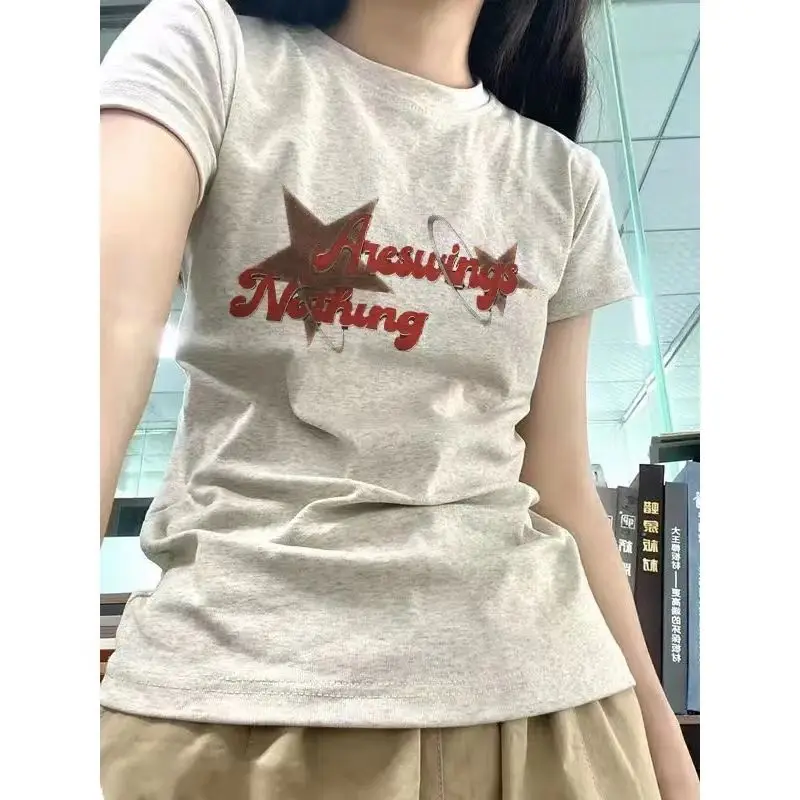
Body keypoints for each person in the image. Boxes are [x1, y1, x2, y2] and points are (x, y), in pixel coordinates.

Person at [99, 0, 699, 797]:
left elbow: (561, 488)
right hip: (234, 701)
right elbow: (94, 348)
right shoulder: (211, 48)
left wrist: (666, 754)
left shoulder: (562, 177)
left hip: (559, 711)